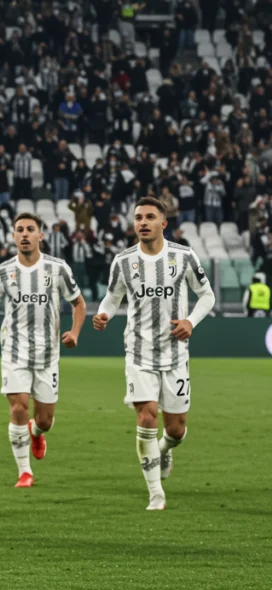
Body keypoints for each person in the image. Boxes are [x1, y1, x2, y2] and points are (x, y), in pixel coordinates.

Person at [93, 197, 215, 511]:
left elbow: (207, 296)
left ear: (163, 222)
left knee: (176, 429)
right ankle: (156, 494)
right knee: (146, 415)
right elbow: (112, 298)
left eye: (149, 217)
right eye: (138, 217)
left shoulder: (183, 256)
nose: (143, 222)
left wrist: (190, 321)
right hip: (138, 352)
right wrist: (104, 314)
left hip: (175, 354)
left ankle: (164, 449)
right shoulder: (123, 261)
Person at [0, 213, 86, 488]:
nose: (24, 234)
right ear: (13, 236)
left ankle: (36, 432)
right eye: (20, 230)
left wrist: (74, 332)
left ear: (40, 235)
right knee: (19, 407)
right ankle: (24, 472)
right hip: (14, 350)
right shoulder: (3, 271)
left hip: (48, 353)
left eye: (30, 229)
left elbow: (79, 303)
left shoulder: (57, 269)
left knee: (45, 420)